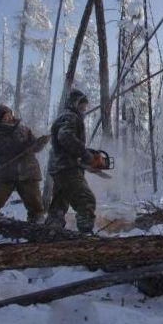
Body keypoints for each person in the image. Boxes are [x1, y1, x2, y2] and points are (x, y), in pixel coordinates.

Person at [0, 105, 49, 230]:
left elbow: (35, 148)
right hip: (6, 176)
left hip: (28, 172)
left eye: (9, 115)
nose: (8, 118)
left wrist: (40, 142)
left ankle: (38, 227)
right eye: (4, 117)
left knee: (36, 206)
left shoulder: (24, 130)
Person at [45, 89, 103, 234]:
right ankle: (85, 236)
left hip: (59, 167)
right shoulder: (70, 117)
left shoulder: (64, 117)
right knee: (86, 200)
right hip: (67, 168)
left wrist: (85, 154)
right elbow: (64, 136)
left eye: (85, 105)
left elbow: (66, 142)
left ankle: (52, 231)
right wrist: (85, 155)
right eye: (81, 105)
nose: (84, 108)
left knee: (59, 203)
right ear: (74, 103)